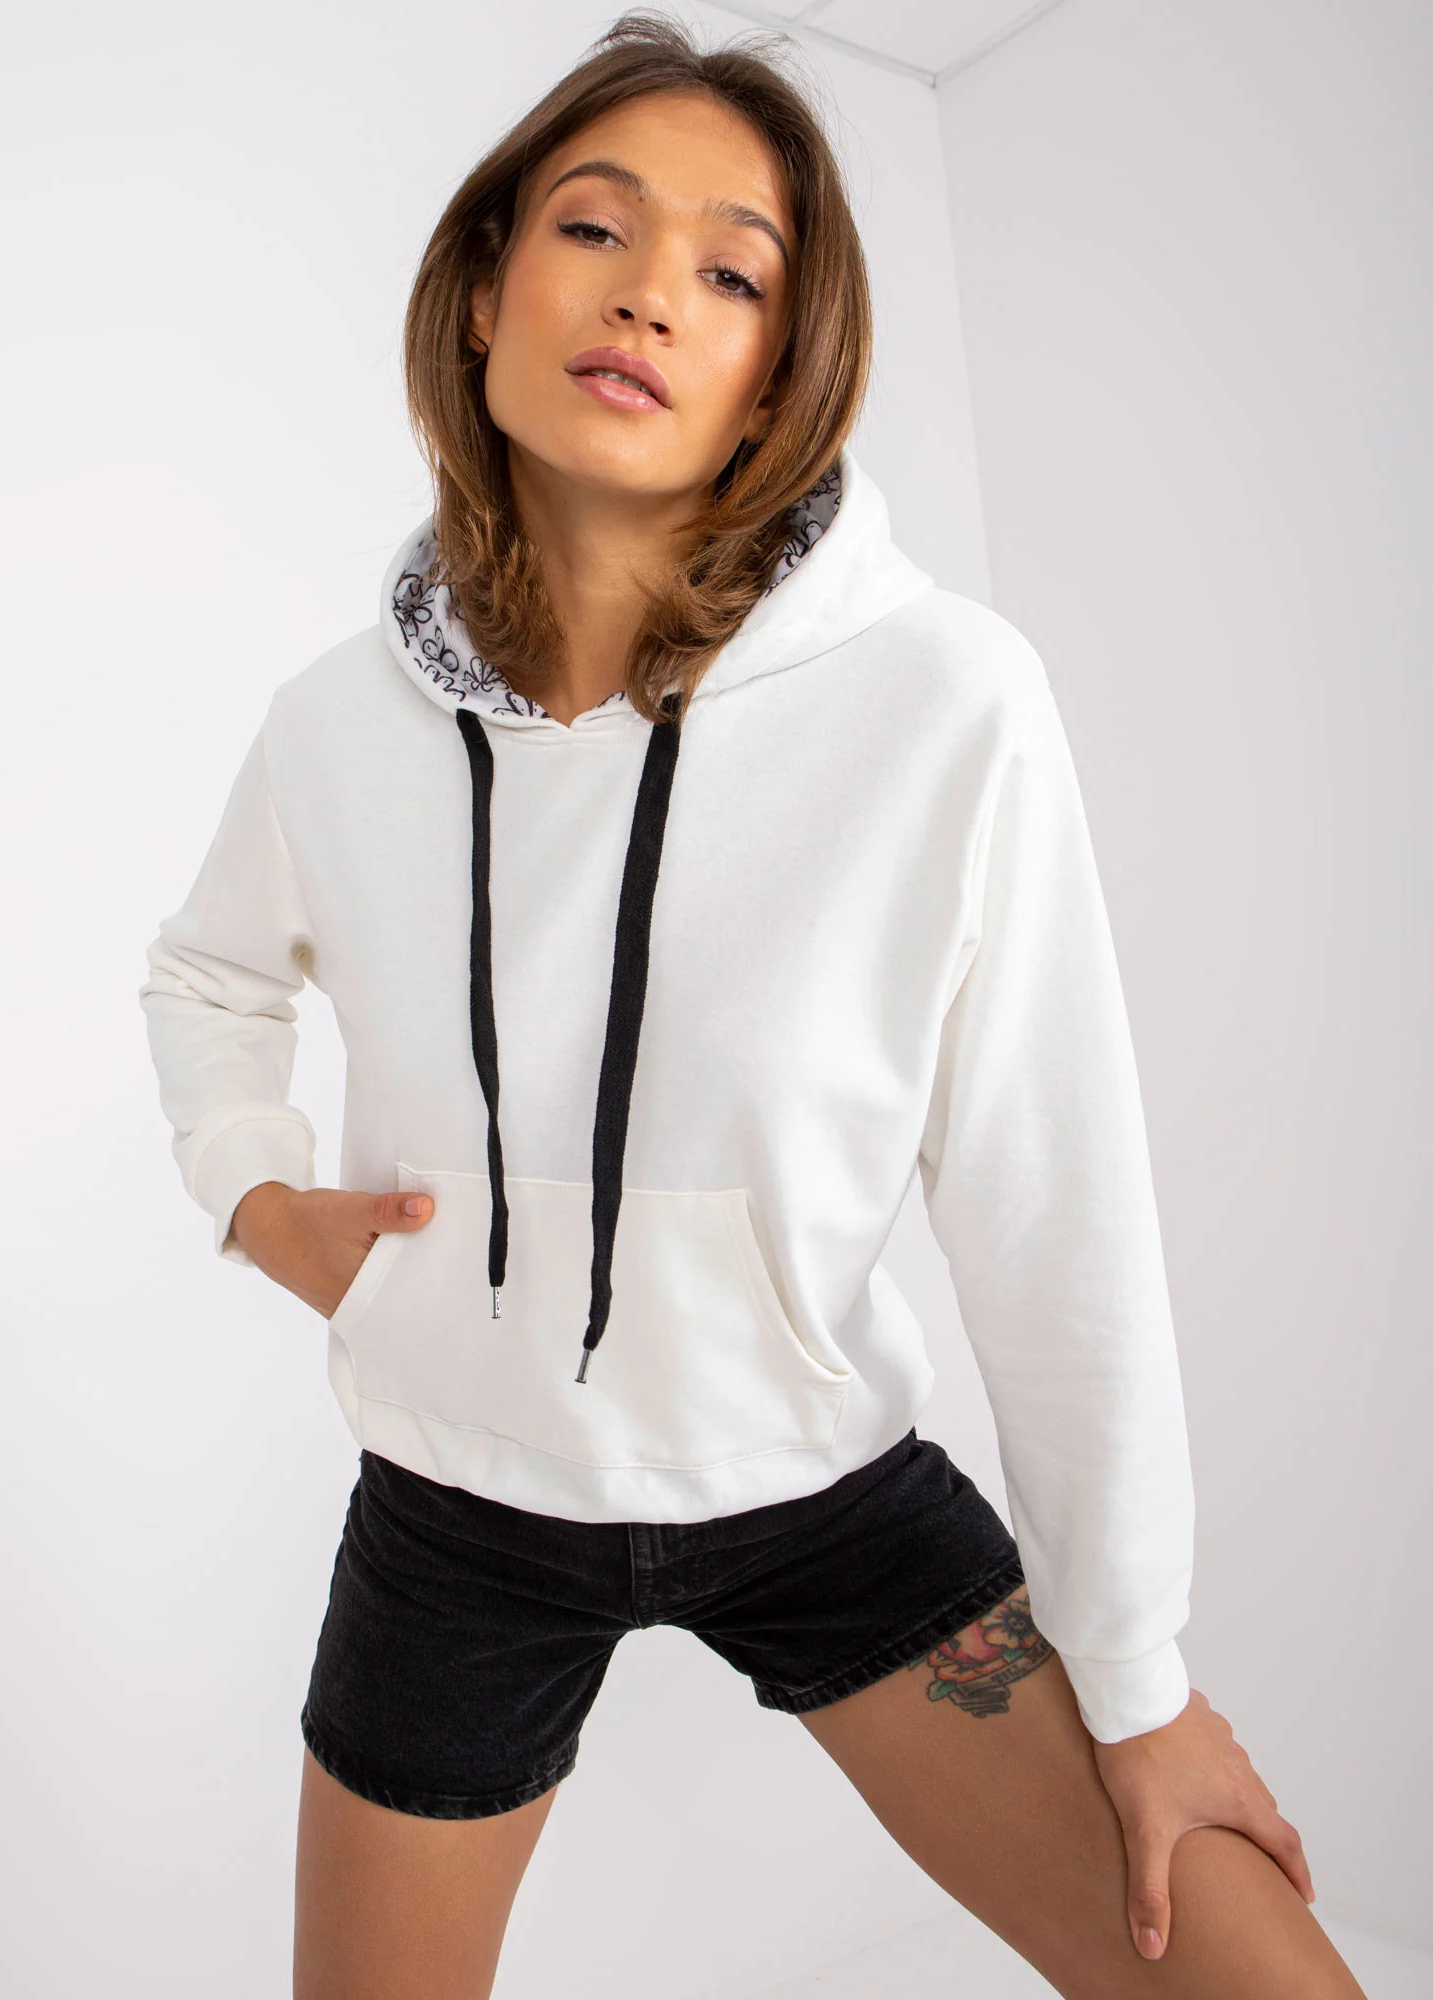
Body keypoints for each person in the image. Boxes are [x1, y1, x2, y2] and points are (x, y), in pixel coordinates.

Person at [138, 13, 1366, 1999]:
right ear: (484, 290)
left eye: (733, 274)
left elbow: (1055, 1209)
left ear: (781, 376)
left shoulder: (942, 702)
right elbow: (205, 972)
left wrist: (1136, 1682)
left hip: (824, 1495)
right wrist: (257, 1193)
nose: (650, 294)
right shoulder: (335, 728)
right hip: (458, 1504)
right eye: (594, 227)